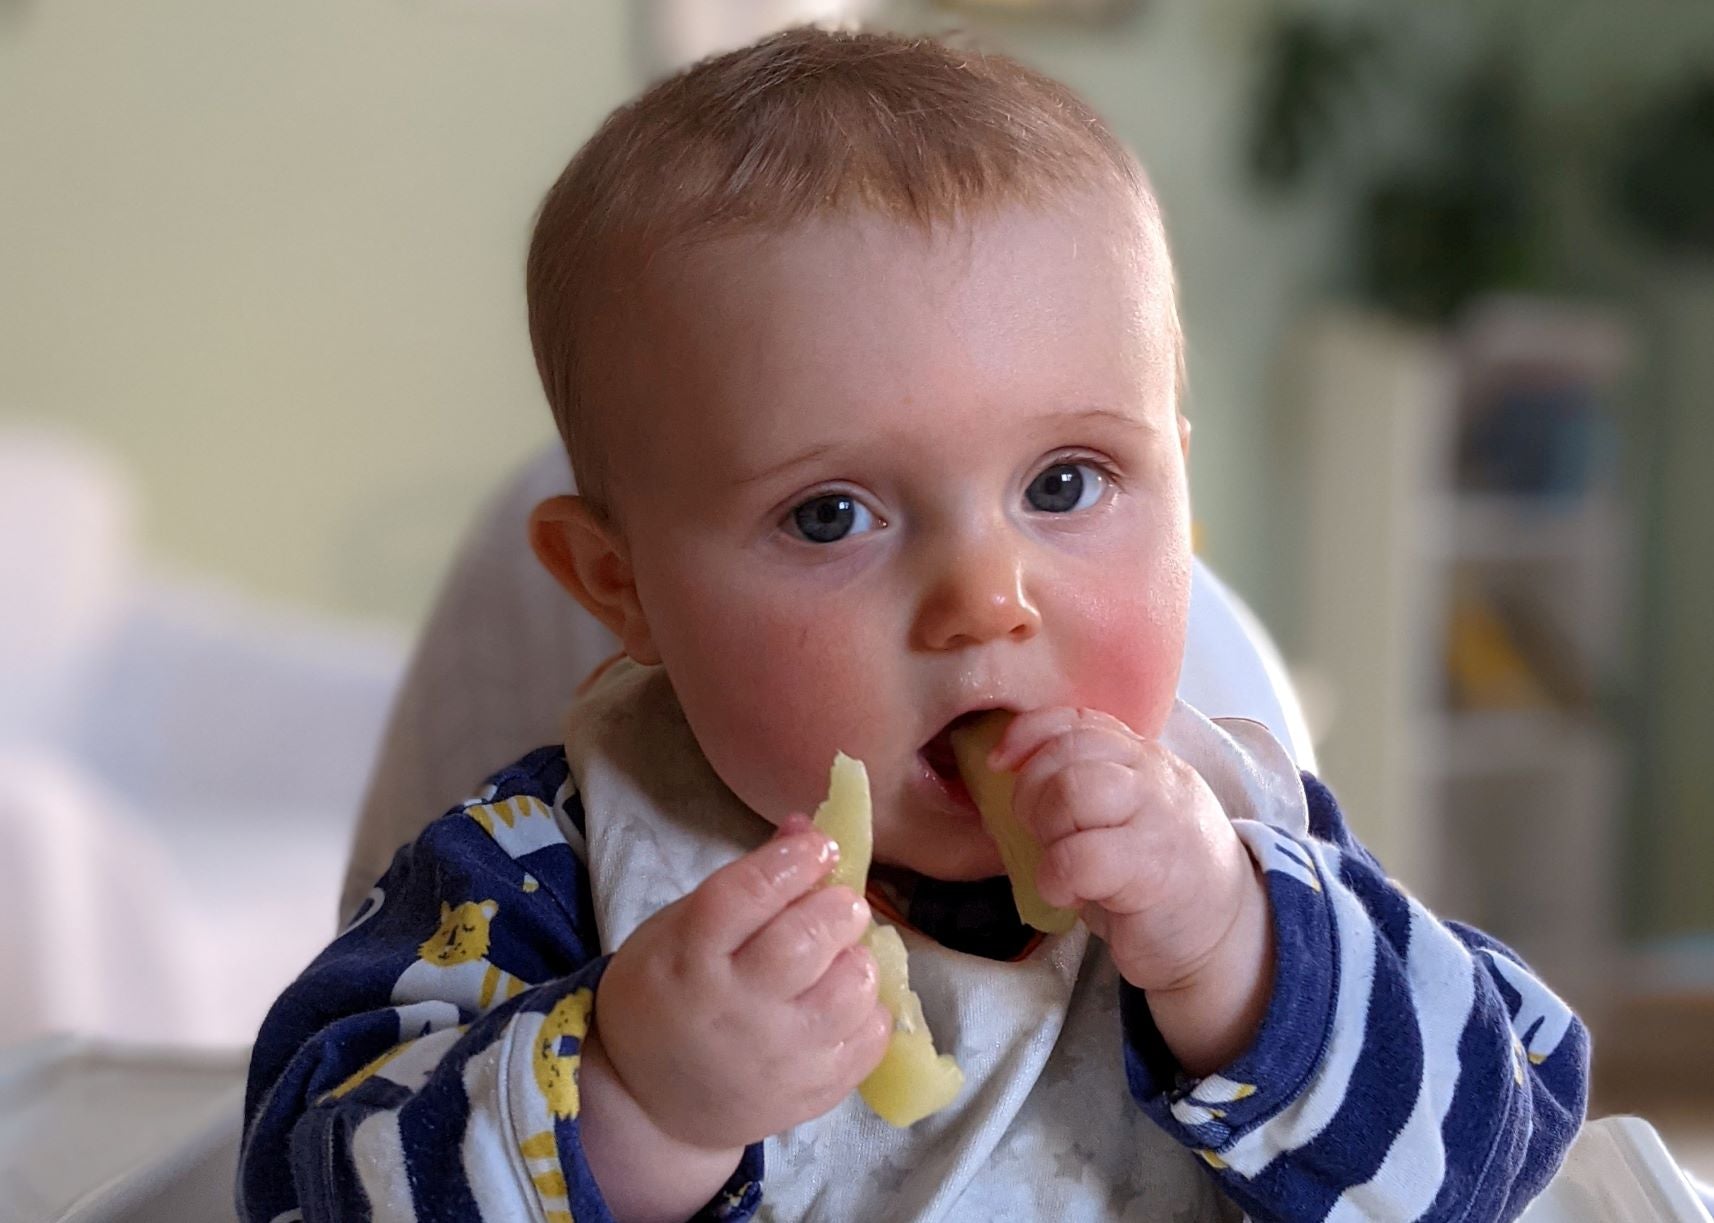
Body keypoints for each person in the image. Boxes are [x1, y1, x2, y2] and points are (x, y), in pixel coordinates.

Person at [239, 26, 1587, 1223]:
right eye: (831, 515)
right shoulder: (541, 884)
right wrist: (636, 1106)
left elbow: (1509, 1139)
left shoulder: (1237, 850)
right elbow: (306, 1179)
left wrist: (1238, 959)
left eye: (1063, 485)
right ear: (621, 587)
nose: (984, 600)